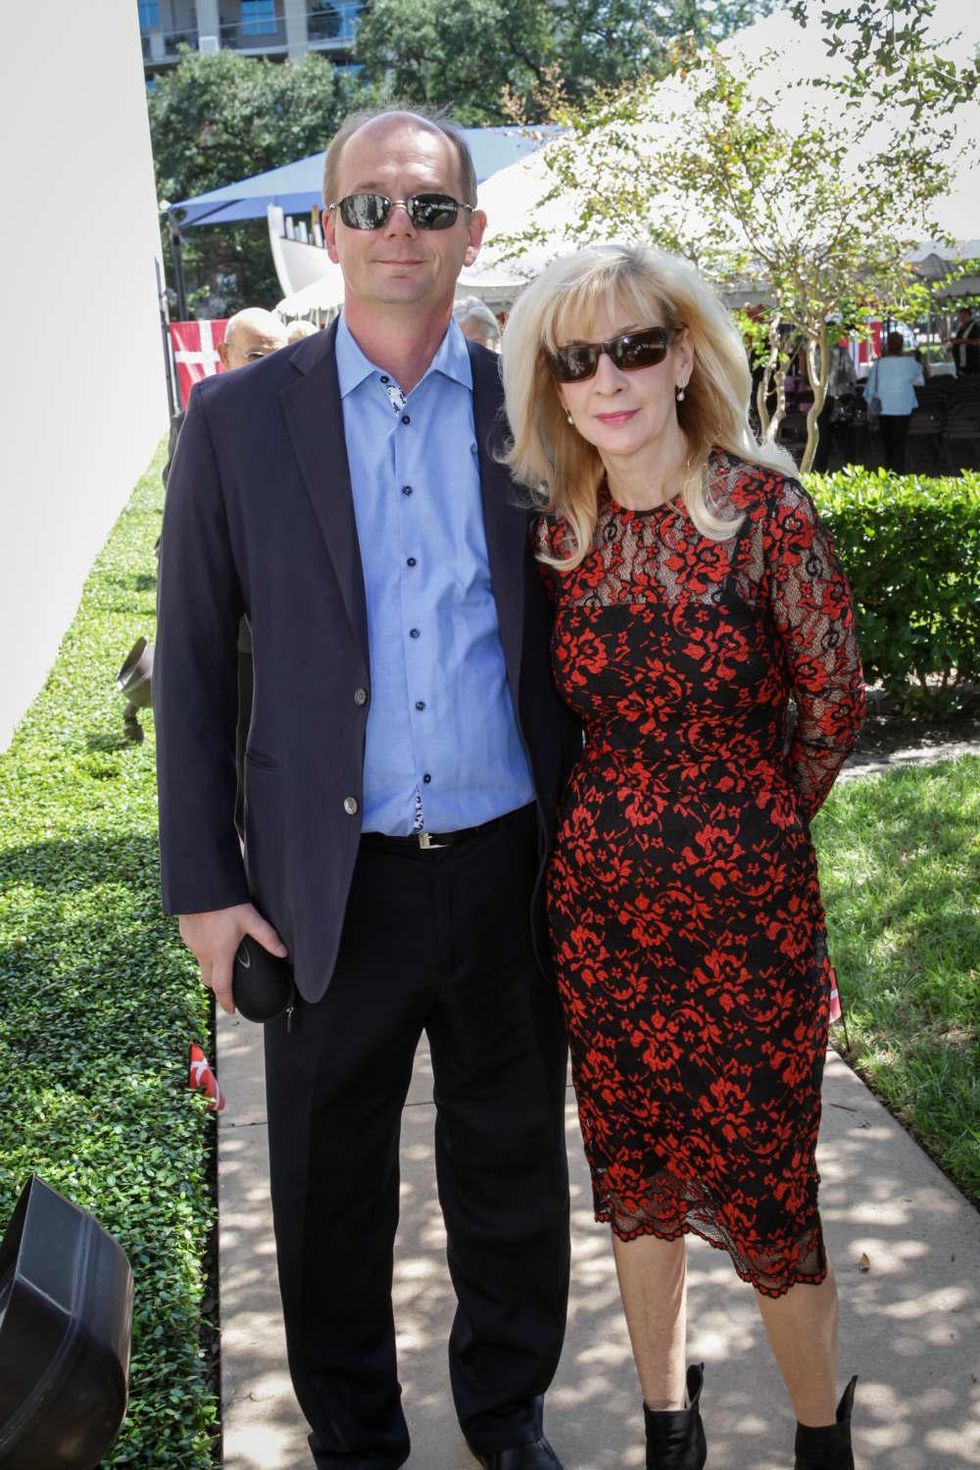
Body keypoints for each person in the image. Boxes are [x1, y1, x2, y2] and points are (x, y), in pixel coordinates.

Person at [153, 107, 582, 1470]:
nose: (402, 230)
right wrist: (207, 889)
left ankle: (507, 1421)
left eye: (431, 207)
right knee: (333, 1195)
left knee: (510, 1178)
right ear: (328, 229)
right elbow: (196, 668)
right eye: (372, 207)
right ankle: (358, 1441)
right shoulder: (232, 422)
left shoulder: (541, 405)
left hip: (511, 868)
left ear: (475, 228)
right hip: (324, 887)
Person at [500, 243, 866, 1470]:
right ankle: (668, 1426)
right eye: (575, 357)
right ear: (550, 387)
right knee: (634, 1181)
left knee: (768, 1190)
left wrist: (746, 824)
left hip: (747, 924)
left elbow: (830, 705)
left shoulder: (765, 514)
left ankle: (820, 1438)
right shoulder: (558, 533)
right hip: (601, 928)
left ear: (682, 358)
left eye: (634, 347)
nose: (607, 376)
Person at [864, 332, 924, 474]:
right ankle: (899, 470)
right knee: (900, 441)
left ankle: (890, 469)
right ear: (902, 345)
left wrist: (868, 409)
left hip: (884, 408)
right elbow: (920, 381)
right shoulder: (911, 363)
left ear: (887, 345)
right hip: (904, 406)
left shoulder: (878, 364)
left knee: (887, 441)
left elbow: (871, 388)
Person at [812, 336, 856, 474]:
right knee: (845, 438)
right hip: (842, 397)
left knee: (823, 438)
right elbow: (852, 375)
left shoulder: (817, 353)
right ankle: (851, 470)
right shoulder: (843, 352)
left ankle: (820, 471)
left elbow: (813, 376)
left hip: (823, 399)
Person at [946, 305, 980, 376]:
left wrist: (960, 341)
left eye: (964, 316)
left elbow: (977, 341)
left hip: (972, 362)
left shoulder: (975, 327)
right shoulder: (961, 328)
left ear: (969, 316)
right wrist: (953, 341)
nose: (961, 318)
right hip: (960, 362)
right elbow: (959, 339)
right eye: (960, 316)